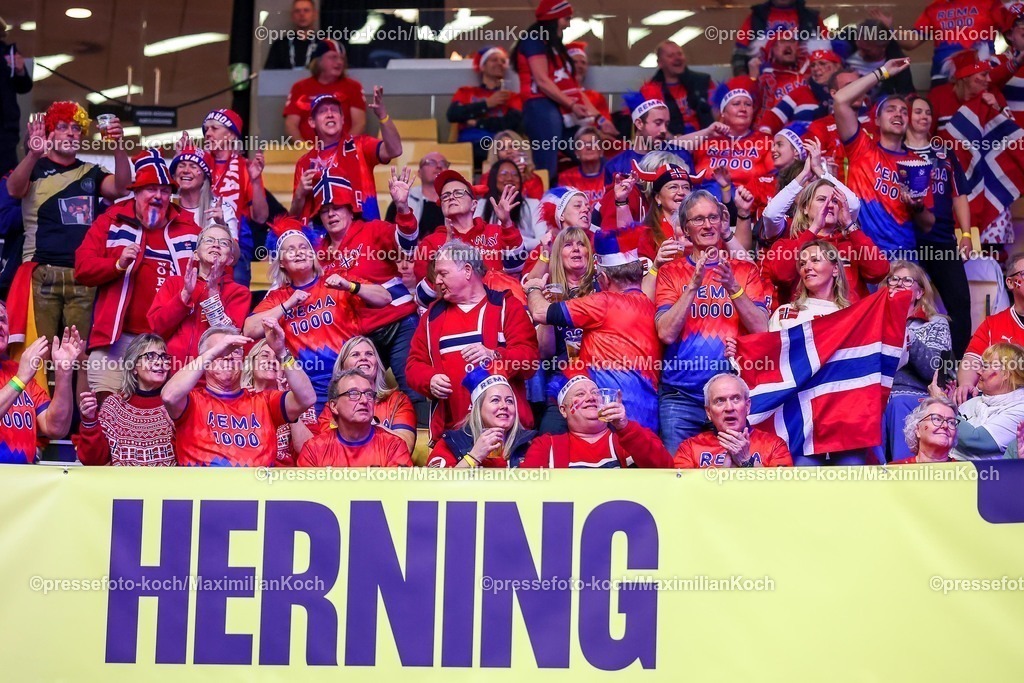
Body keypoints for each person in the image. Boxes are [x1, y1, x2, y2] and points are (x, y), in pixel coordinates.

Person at [75, 150, 200, 396]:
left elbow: (213, 275)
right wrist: (117, 265)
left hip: (167, 343)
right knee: (106, 410)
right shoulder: (111, 220)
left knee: (159, 419)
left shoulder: (188, 226)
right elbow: (82, 269)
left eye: (164, 190)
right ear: (135, 192)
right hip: (115, 339)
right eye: (150, 189)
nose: (159, 196)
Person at [655, 190, 772, 452]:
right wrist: (693, 285)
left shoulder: (744, 270)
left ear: (722, 222)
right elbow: (665, 333)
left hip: (730, 400)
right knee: (679, 477)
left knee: (733, 478)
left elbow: (761, 328)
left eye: (713, 218)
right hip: (680, 398)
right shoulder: (670, 272)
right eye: (698, 220)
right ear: (685, 229)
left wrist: (733, 287)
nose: (707, 225)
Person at [7, 102, 129, 347]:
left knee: (79, 352)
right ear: (49, 133)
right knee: (39, 349)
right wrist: (32, 154)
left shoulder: (92, 172)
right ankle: (38, 389)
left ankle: (77, 388)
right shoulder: (34, 167)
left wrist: (117, 147)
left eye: (76, 128)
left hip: (83, 274)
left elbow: (121, 187)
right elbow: (14, 189)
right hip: (41, 270)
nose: (71, 133)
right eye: (63, 127)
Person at [525, 227, 661, 432]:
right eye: (568, 245)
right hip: (648, 417)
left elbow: (540, 312)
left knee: (551, 435)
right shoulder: (649, 305)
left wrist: (534, 288)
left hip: (609, 413)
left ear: (604, 279)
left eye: (581, 244)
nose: (576, 249)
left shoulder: (603, 300)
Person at [245, 225, 390, 409]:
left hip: (349, 379)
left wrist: (350, 286)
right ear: (281, 262)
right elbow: (250, 329)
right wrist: (288, 304)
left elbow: (385, 297)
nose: (298, 253)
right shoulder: (278, 298)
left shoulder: (336, 281)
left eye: (303, 247)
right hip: (310, 387)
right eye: (290, 250)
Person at [407, 240, 539, 441]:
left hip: (507, 434)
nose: (437, 281)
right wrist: (429, 379)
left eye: (443, 273)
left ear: (467, 270)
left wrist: (494, 355)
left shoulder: (506, 306)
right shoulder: (431, 316)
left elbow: (530, 361)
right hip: (453, 435)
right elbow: (413, 366)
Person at [312, 169, 420, 407]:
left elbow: (410, 244)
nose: (331, 214)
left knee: (415, 391)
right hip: (360, 337)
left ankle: (428, 442)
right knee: (357, 396)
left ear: (350, 209)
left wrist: (402, 207)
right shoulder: (319, 253)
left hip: (399, 322)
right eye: (324, 210)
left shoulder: (373, 230)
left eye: (337, 207)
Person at [162, 323, 317, 467]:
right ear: (205, 359)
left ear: (243, 361)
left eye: (234, 351)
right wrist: (214, 351)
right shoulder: (192, 402)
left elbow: (307, 398)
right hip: (205, 492)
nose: (228, 356)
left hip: (257, 492)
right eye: (221, 351)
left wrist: (282, 353)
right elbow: (169, 395)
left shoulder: (264, 401)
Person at [833, 58, 935, 257]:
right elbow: (840, 100)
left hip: (903, 257)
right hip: (864, 255)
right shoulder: (861, 147)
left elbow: (928, 224)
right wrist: (882, 72)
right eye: (891, 110)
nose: (898, 114)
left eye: (904, 112)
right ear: (877, 120)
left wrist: (917, 206)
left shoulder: (917, 164)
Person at [902, 95, 972, 358]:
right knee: (907, 303)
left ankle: (957, 364)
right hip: (908, 241)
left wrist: (965, 234)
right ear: (906, 116)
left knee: (960, 303)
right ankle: (907, 361)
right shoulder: (896, 151)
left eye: (928, 113)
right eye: (918, 112)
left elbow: (959, 195)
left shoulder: (943, 152)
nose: (924, 117)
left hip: (942, 240)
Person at [762, 177, 886, 304]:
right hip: (805, 321)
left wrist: (849, 224)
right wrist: (814, 228)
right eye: (822, 200)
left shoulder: (853, 244)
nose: (830, 205)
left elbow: (879, 272)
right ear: (805, 208)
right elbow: (781, 276)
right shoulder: (787, 243)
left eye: (835, 201)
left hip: (849, 320)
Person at [147, 225, 250, 372]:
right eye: (209, 240)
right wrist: (185, 294)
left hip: (211, 378)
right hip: (169, 374)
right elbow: (157, 328)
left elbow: (228, 338)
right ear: (196, 254)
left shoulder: (239, 292)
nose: (216, 244)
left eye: (224, 243)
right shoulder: (174, 283)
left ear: (230, 259)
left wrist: (213, 293)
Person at [878, 261, 952, 463]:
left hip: (915, 394)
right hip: (878, 392)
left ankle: (908, 478)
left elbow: (936, 369)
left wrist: (903, 329)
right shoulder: (874, 322)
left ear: (919, 293)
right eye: (893, 280)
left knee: (897, 402)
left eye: (907, 280)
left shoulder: (935, 323)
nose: (899, 284)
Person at [520, 372, 673, 468]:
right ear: (563, 410)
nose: (591, 397)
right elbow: (527, 492)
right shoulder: (547, 446)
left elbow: (665, 470)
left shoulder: (631, 437)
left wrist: (625, 427)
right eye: (580, 394)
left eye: (595, 393)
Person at [290, 91, 402, 221]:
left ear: (342, 119)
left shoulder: (360, 145)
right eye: (322, 111)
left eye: (335, 110)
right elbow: (293, 220)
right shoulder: (304, 163)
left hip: (364, 233)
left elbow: (395, 150)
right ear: (312, 122)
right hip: (323, 238)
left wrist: (383, 116)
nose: (330, 114)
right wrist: (299, 195)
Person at [510, 0, 590, 183]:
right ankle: (544, 205)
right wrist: (571, 104)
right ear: (554, 17)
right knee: (546, 164)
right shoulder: (534, 40)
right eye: (566, 18)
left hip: (553, 106)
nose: (569, 23)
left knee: (583, 151)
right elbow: (542, 81)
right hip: (539, 106)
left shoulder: (549, 42)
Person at [77, 333, 175, 466]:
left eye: (164, 357)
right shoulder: (114, 406)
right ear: (134, 366)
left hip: (168, 484)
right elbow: (93, 461)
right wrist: (89, 421)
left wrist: (179, 431)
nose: (160, 362)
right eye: (150, 357)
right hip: (121, 485)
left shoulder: (176, 404)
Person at [0, 301, 80, 463]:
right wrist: (20, 379)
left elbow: (56, 428)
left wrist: (63, 373)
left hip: (27, 483)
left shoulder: (18, 371)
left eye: (2, 320)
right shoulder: (22, 375)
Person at [413, 169, 526, 282]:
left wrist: (507, 223)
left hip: (497, 298)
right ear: (442, 206)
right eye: (445, 196)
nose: (451, 197)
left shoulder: (496, 232)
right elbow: (423, 295)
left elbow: (516, 268)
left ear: (474, 205)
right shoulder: (430, 243)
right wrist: (444, 256)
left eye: (458, 193)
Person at [315, 335, 417, 452]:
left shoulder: (398, 401)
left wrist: (368, 424)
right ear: (343, 367)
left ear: (377, 363)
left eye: (369, 354)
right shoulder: (333, 406)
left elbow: (406, 448)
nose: (363, 358)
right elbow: (326, 450)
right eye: (355, 354)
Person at [202, 107, 267, 287]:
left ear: (231, 135)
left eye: (214, 128)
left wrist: (255, 181)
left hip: (237, 248)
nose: (208, 133)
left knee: (235, 303)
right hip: (199, 241)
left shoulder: (246, 167)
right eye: (206, 129)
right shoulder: (198, 165)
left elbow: (261, 217)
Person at [297, 369, 412, 467]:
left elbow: (398, 492)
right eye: (353, 393)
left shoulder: (394, 446)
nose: (364, 400)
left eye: (368, 394)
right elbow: (306, 492)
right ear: (334, 406)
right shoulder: (314, 449)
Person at [674, 374, 793, 468]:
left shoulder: (774, 446)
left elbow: (783, 491)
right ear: (709, 412)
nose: (729, 408)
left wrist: (746, 461)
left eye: (736, 399)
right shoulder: (689, 449)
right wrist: (724, 471)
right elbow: (682, 493)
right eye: (720, 401)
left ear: (747, 407)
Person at [427, 367, 536, 468]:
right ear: (478, 408)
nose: (504, 406)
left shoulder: (531, 444)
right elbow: (435, 486)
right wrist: (474, 456)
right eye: (495, 400)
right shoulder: (452, 443)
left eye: (509, 401)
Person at [932, 343, 1024, 460]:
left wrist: (942, 404)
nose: (979, 371)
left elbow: (975, 440)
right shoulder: (974, 401)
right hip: (947, 464)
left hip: (985, 475)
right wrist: (949, 405)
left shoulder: (1020, 410)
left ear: (1006, 374)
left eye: (985, 366)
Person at [957, 253, 1024, 399]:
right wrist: (966, 384)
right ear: (1010, 283)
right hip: (996, 404)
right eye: (1023, 274)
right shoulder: (992, 324)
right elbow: (971, 360)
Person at [242, 339, 317, 466]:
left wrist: (292, 411)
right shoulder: (238, 397)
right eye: (265, 356)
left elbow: (310, 452)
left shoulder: (300, 401)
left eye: (277, 358)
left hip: (285, 477)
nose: (271, 361)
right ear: (252, 363)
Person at [893, 1, 1005, 84]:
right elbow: (912, 41)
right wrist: (888, 30)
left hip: (981, 77)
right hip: (942, 78)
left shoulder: (990, 3)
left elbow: (1012, 30)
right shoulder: (934, 8)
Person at [447, 46, 523, 168]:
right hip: (471, 145)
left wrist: (477, 123)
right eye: (494, 60)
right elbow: (453, 114)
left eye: (503, 61)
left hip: (500, 146)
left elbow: (512, 123)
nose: (499, 63)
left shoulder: (512, 97)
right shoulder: (466, 91)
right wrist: (486, 104)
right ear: (482, 66)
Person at [691, 88, 773, 194]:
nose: (743, 108)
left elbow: (774, 178)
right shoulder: (706, 139)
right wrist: (706, 132)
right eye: (736, 104)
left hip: (748, 201)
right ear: (723, 112)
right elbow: (672, 147)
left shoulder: (765, 141)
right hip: (706, 201)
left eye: (748, 104)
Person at [284, 39, 367, 140]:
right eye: (333, 57)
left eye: (342, 58)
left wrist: (343, 149)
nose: (339, 62)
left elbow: (359, 124)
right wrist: (303, 149)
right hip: (307, 152)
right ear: (318, 61)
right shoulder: (300, 87)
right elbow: (291, 124)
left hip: (342, 152)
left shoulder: (353, 87)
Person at [768, 240, 850, 331]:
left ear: (835, 269)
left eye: (815, 260)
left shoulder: (851, 315)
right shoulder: (784, 313)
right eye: (802, 264)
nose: (807, 268)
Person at [730, 0, 828, 76]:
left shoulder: (812, 18)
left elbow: (830, 55)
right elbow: (739, 55)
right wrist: (745, 82)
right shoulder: (756, 17)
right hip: (763, 83)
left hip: (805, 81)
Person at [758, 48, 843, 134]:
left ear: (837, 67)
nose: (816, 68)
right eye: (813, 65)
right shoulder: (800, 93)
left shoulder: (845, 92)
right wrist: (765, 136)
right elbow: (774, 117)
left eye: (822, 63)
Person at [640, 40, 716, 136]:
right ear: (660, 63)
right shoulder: (649, 90)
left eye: (679, 54)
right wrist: (675, 142)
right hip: (670, 145)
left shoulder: (704, 81)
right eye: (670, 56)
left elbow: (718, 114)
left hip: (706, 141)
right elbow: (651, 126)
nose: (677, 58)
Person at [171, 143, 237, 239]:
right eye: (181, 165)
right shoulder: (165, 207)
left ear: (204, 178)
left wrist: (222, 225)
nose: (186, 170)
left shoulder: (221, 210)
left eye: (193, 166)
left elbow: (235, 253)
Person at [476, 159, 543, 251]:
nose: (510, 178)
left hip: (525, 259)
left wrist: (515, 243)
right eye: (504, 174)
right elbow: (474, 240)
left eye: (515, 174)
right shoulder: (481, 205)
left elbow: (543, 239)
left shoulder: (534, 204)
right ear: (493, 178)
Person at [928, 50, 1000, 127]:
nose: (989, 80)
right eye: (984, 75)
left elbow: (1011, 135)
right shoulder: (938, 96)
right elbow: (922, 134)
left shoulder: (993, 93)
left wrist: (997, 109)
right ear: (965, 77)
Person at [384, 151, 448, 236]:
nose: (439, 166)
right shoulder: (402, 201)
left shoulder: (455, 201)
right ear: (419, 173)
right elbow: (388, 235)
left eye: (443, 163)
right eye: (431, 163)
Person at [891, 397, 959, 464]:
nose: (945, 425)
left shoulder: (966, 471)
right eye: (937, 419)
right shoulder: (895, 471)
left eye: (951, 422)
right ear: (917, 429)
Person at [0, 32, 31, 177]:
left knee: (6, 174)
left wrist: (20, 70)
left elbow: (24, 86)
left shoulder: (8, 52)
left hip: (5, 127)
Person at [482, 130, 546, 199]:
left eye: (513, 146)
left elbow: (535, 206)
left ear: (521, 150)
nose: (509, 151)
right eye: (503, 148)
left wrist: (519, 179)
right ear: (497, 155)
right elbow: (488, 203)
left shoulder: (533, 179)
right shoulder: (487, 178)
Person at [264, 0, 319, 70]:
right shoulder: (280, 46)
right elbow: (269, 75)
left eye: (306, 10)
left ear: (315, 15)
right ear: (292, 16)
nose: (302, 14)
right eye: (297, 11)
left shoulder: (325, 44)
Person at [557, 127, 606, 204]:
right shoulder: (566, 178)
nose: (589, 147)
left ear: (601, 151)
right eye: (583, 144)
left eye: (593, 143)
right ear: (576, 153)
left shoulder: (613, 175)